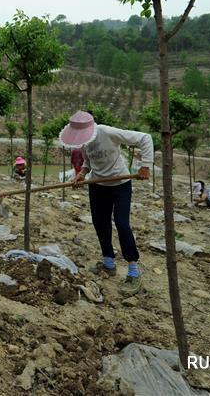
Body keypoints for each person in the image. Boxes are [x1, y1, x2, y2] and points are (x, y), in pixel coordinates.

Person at [63, 110, 153, 297]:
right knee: (100, 223)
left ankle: (133, 269)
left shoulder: (107, 132)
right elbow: (89, 162)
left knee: (121, 224)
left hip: (120, 184)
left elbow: (145, 138)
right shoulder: (85, 142)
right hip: (98, 186)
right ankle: (108, 262)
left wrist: (146, 165)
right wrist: (82, 174)